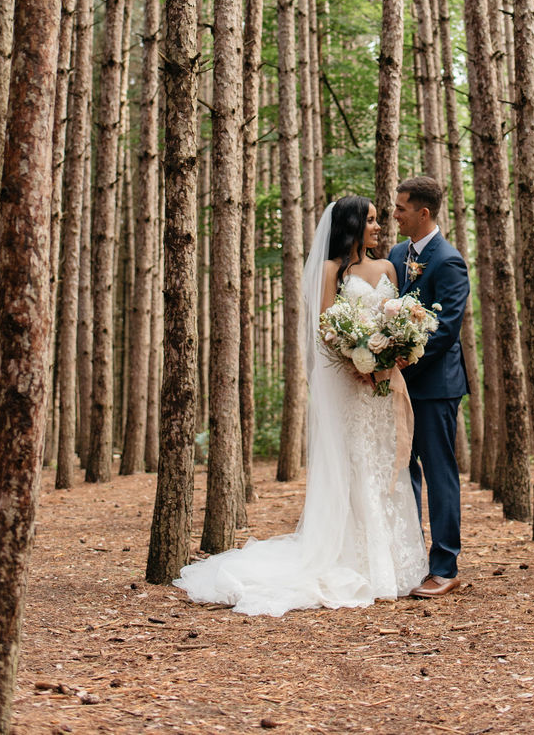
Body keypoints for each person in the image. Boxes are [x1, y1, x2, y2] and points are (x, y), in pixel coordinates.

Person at [174, 195, 427, 615]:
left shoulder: (386, 268)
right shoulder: (331, 271)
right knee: (357, 465)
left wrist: (394, 351)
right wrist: (359, 360)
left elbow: (395, 317)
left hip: (382, 388)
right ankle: (359, 562)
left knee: (385, 466)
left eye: (379, 219)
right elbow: (328, 330)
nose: (378, 226)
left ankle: (395, 565)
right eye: (370, 220)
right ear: (350, 226)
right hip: (351, 385)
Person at [389, 175, 470, 599]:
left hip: (435, 386)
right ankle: (412, 559)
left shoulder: (449, 260)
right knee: (404, 473)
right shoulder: (397, 253)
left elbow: (446, 329)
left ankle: (445, 566)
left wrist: (403, 361)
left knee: (439, 474)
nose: (395, 214)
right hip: (397, 385)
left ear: (423, 212)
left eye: (401, 208)